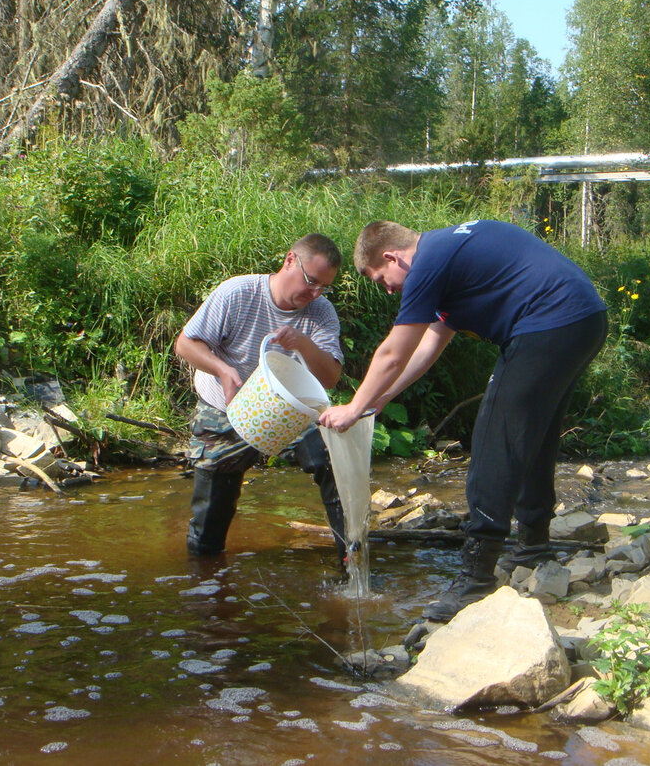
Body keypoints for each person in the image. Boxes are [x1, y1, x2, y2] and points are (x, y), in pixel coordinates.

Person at [319, 219, 608, 622]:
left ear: (391, 256)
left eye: (380, 278)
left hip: (549, 320)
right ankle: (534, 545)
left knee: (494, 441)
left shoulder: (428, 261)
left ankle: (476, 576)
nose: (386, 289)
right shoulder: (448, 254)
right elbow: (427, 347)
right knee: (532, 437)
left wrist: (352, 407)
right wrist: (376, 401)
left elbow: (393, 353)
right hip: (584, 317)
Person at [174, 233, 349, 565]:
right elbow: (186, 344)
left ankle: (351, 562)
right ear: (289, 261)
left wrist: (302, 343)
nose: (314, 294)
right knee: (211, 517)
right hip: (226, 408)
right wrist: (224, 371)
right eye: (311, 282)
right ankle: (207, 589)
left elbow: (329, 377)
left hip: (291, 410)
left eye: (323, 287)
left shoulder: (321, 312)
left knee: (333, 458)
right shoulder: (237, 293)